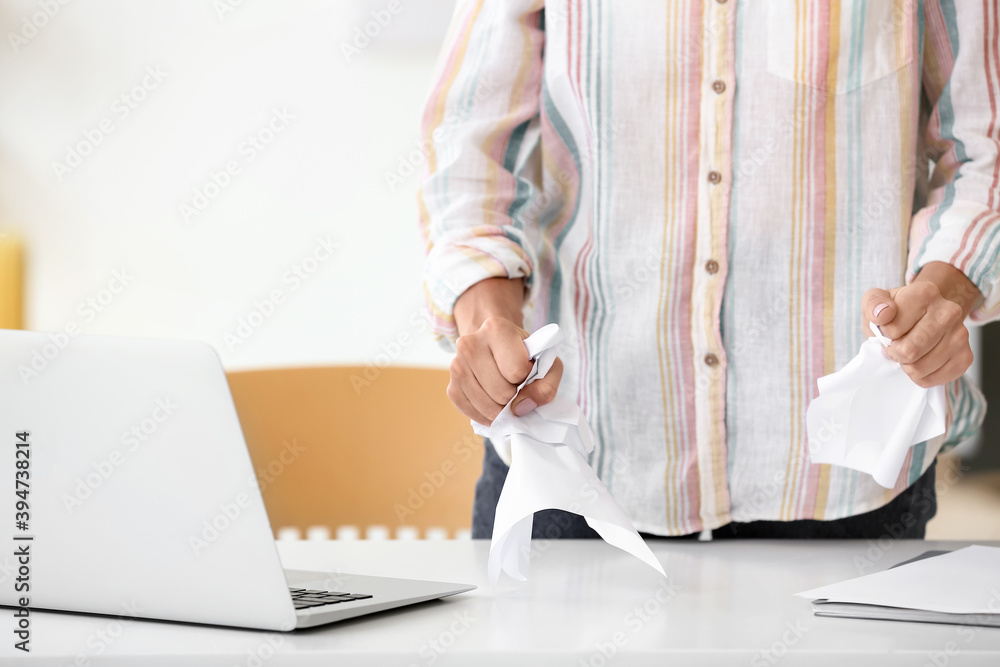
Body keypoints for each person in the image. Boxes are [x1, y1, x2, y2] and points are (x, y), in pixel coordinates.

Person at [418, 0, 997, 540]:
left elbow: (985, 150)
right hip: (571, 466)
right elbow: (467, 154)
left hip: (843, 489)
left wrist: (942, 290)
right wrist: (487, 319)